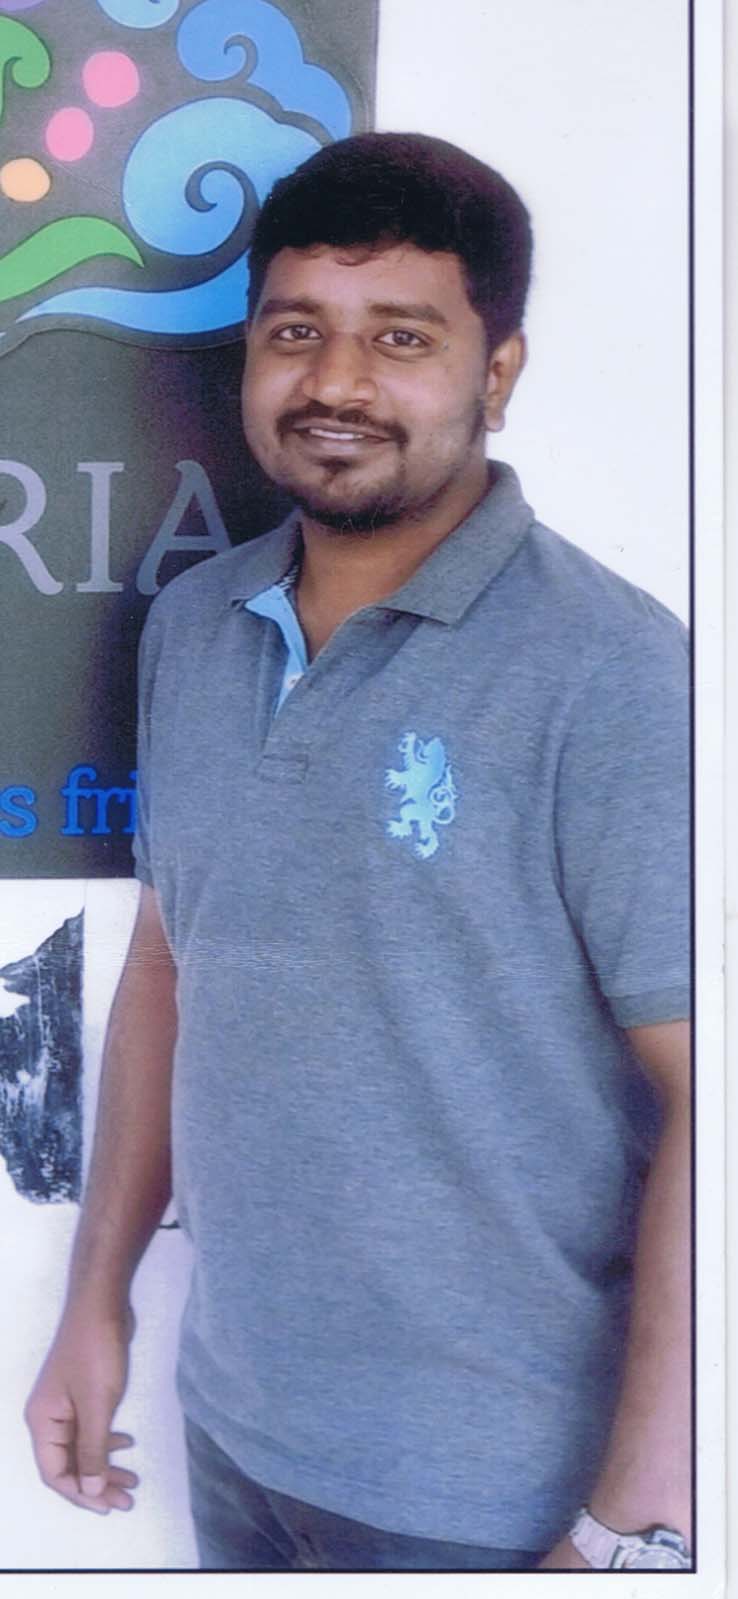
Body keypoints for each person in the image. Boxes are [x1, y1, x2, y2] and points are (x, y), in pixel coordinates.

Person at [24, 132, 691, 1573]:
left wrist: (632, 1524)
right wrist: (97, 1299)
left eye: (400, 337)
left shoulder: (617, 674)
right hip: (236, 1433)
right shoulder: (197, 627)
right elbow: (173, 968)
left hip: (496, 1499)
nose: (335, 384)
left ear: (497, 373)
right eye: (295, 333)